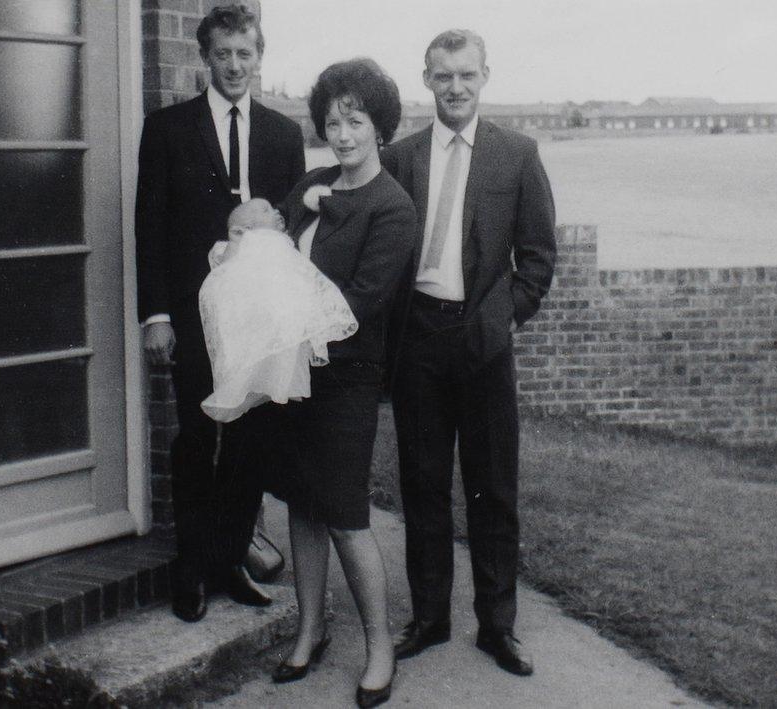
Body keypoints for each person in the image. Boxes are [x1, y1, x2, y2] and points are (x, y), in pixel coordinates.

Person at [382, 29, 556, 676]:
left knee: (493, 489)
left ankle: (497, 626)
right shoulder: (399, 159)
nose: (456, 88)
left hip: (483, 343)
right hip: (419, 342)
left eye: (467, 76)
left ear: (486, 77)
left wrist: (502, 318)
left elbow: (537, 258)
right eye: (443, 76)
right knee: (423, 484)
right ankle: (428, 618)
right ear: (425, 79)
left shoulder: (516, 155)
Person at [245, 58, 416, 709]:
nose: (342, 133)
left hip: (345, 379)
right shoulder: (314, 182)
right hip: (293, 372)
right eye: (333, 121)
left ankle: (379, 647)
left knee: (345, 514)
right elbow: (271, 250)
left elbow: (361, 302)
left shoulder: (391, 208)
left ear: (379, 125)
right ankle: (310, 628)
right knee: (302, 505)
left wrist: (290, 322)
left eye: (356, 120)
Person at [134, 4, 305, 623]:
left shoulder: (285, 137)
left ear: (260, 58)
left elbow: (291, 230)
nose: (236, 66)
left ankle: (231, 560)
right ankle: (191, 568)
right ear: (205, 57)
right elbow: (148, 228)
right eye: (224, 54)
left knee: (252, 441)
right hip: (191, 313)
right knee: (198, 436)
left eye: (246, 53)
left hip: (257, 318)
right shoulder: (168, 129)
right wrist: (155, 314)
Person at [198, 198, 357, 422]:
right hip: (256, 319)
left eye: (273, 208)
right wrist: (235, 241)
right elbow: (226, 274)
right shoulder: (246, 242)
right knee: (255, 358)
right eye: (265, 210)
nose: (275, 212)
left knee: (283, 362)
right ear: (244, 230)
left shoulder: (283, 243)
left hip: (282, 318)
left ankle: (277, 385)